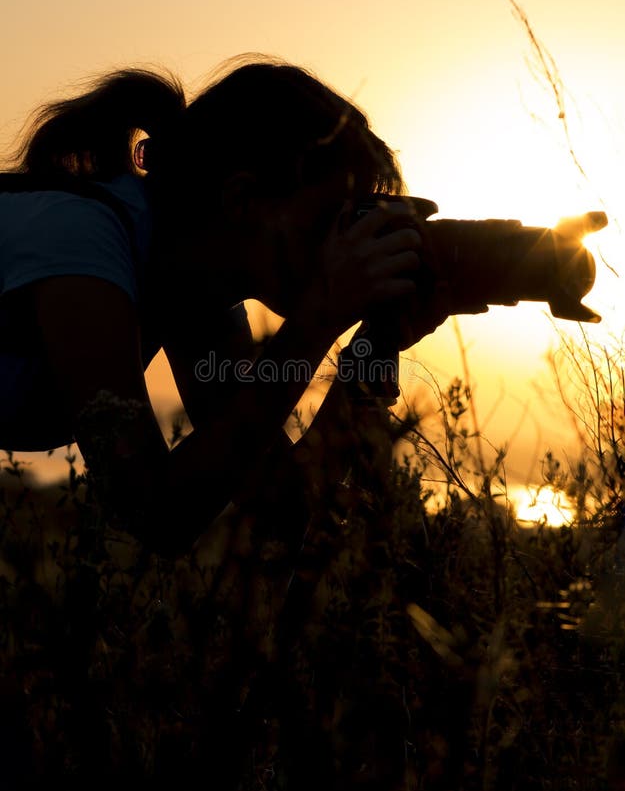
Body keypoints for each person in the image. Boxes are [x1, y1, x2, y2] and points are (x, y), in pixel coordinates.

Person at [0, 53, 447, 555]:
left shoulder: (195, 289)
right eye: (328, 219)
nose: (342, 243)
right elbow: (151, 513)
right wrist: (320, 315)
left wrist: (374, 346)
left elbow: (283, 508)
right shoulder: (81, 241)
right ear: (242, 201)